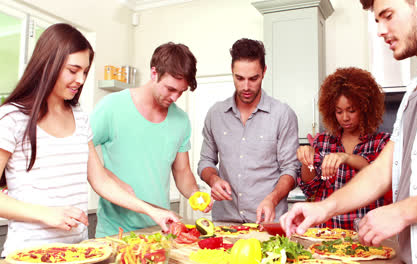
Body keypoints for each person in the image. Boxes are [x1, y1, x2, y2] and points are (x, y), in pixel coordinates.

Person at [280, 0, 417, 262]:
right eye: (377, 20)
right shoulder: (416, 88)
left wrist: (403, 211)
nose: (379, 30)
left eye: (387, 15)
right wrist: (323, 208)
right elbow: (382, 170)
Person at [0, 23, 180, 257]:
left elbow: (100, 180)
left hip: (79, 253)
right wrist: (47, 213)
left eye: (84, 72)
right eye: (73, 70)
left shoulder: (80, 118)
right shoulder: (12, 117)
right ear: (48, 64)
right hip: (28, 254)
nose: (80, 79)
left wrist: (152, 211)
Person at [91, 42, 211, 238]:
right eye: (170, 89)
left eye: (181, 91)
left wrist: (196, 194)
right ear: (154, 73)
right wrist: (109, 178)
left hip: (160, 231)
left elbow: (182, 171)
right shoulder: (112, 107)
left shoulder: (181, 121)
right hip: (115, 233)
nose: (175, 97)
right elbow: (77, 151)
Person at [197, 38, 300, 223]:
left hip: (268, 221)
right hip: (225, 221)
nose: (246, 87)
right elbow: (205, 161)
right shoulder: (215, 114)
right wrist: (213, 179)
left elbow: (290, 170)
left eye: (253, 78)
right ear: (232, 71)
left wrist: (272, 198)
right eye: (239, 78)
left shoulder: (282, 114)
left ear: (264, 72)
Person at [296, 67, 391, 230]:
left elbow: (379, 174)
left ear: (365, 108)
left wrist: (346, 157)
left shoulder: (381, 142)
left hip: (365, 233)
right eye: (339, 112)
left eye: (351, 110)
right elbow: (310, 188)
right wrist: (307, 161)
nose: (345, 117)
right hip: (326, 232)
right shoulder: (323, 141)